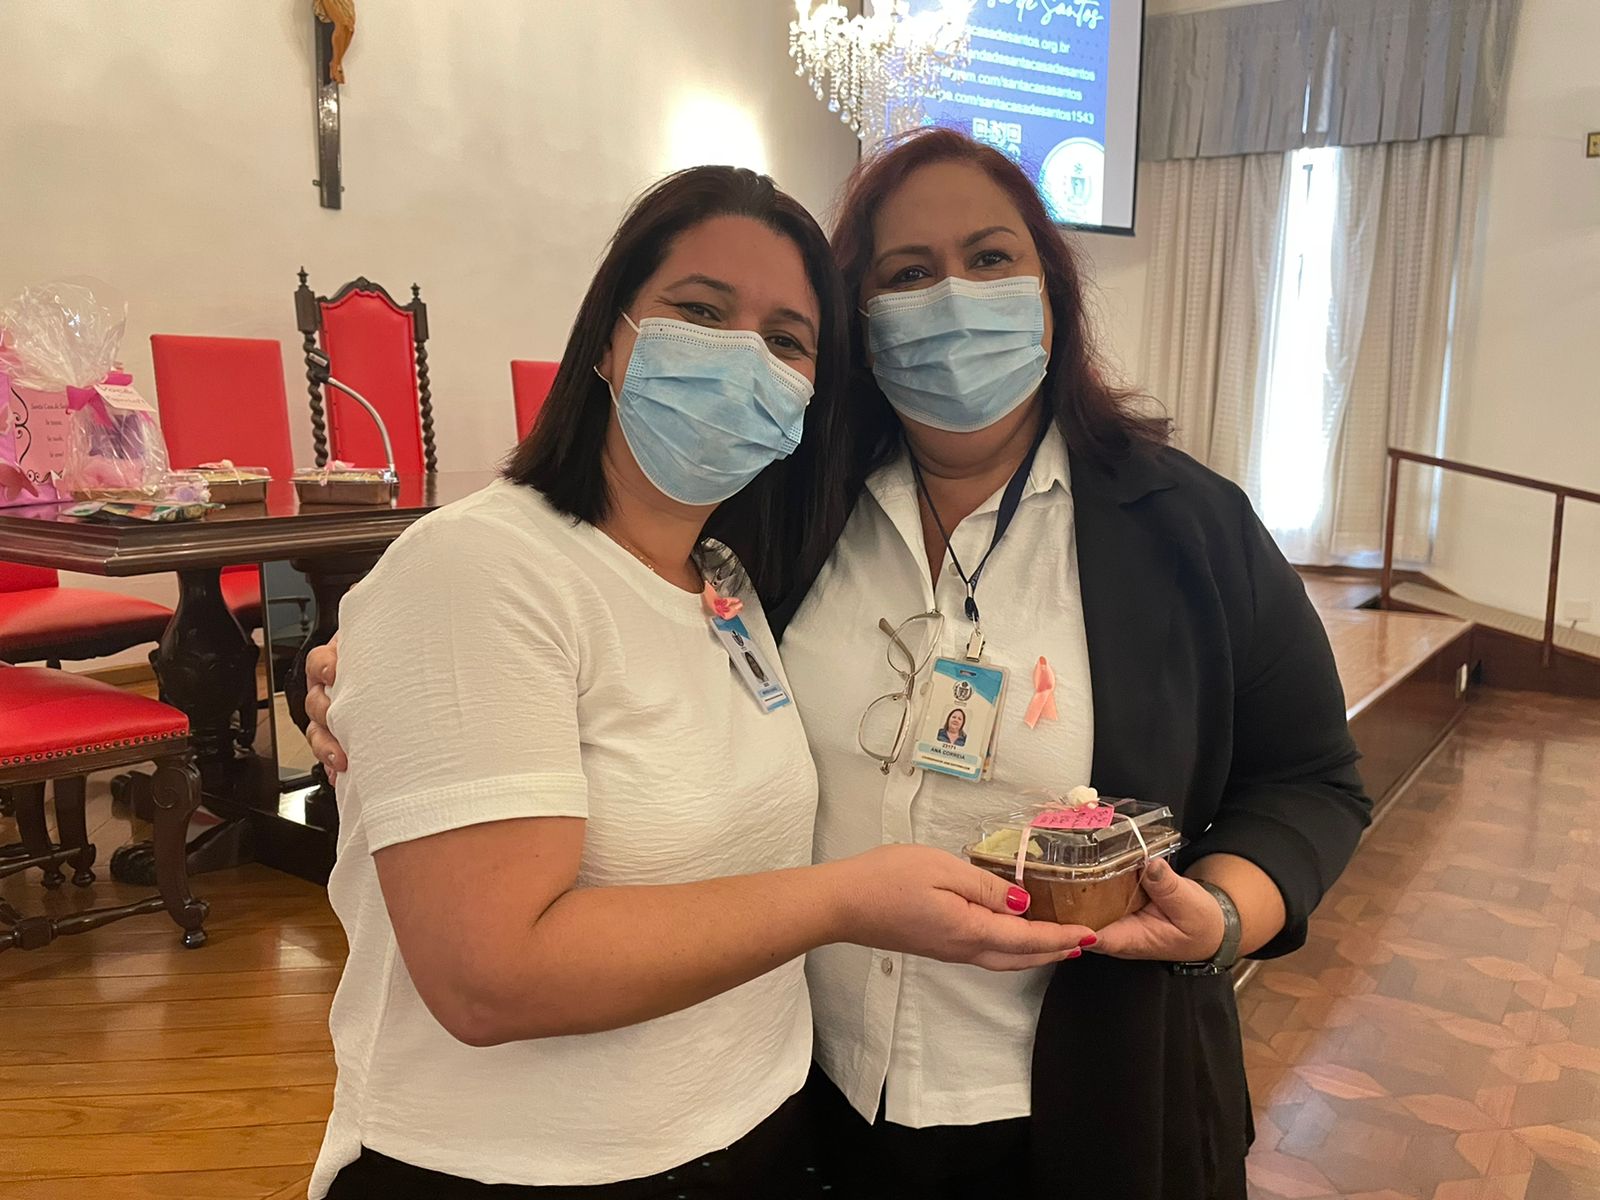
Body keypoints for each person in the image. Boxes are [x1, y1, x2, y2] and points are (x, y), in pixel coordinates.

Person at [307, 132, 1371, 1200]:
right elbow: (575, 596)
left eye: (990, 258)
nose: (953, 298)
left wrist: (1221, 916)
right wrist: (380, 670)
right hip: (815, 1109)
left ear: (1051, 295)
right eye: (906, 273)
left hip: (1088, 1106)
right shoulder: (782, 515)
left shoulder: (1187, 527)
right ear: (862, 329)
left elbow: (1310, 779)